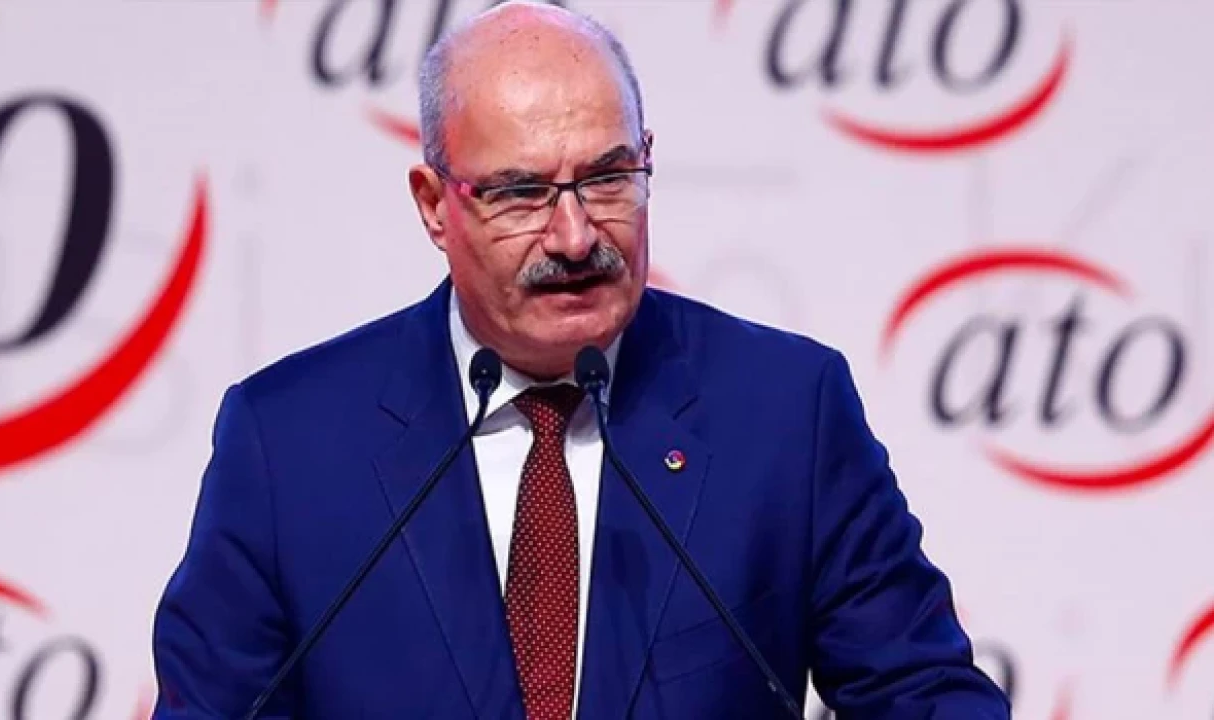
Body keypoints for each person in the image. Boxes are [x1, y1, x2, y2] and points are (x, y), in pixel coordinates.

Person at [149, 2, 1010, 718]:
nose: (574, 235)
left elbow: (926, 697)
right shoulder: (288, 446)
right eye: (522, 192)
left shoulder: (786, 413)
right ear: (434, 206)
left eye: (607, 178)